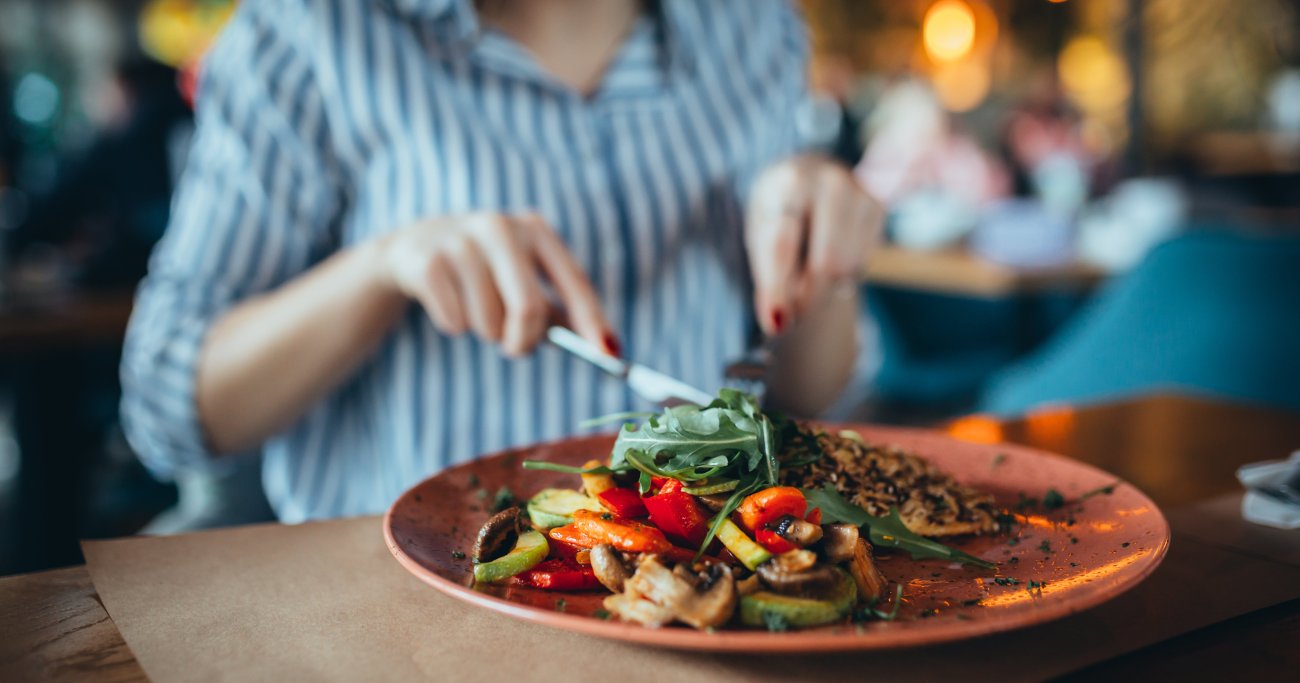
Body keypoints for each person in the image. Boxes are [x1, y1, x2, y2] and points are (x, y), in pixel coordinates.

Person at [121, 0, 882, 523]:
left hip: (702, 609)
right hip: (407, 626)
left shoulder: (753, 27)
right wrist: (384, 267)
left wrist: (825, 259)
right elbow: (165, 405)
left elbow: (808, 392)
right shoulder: (313, 30)